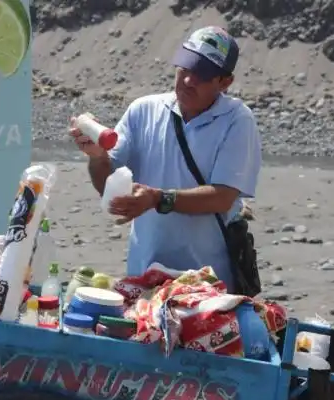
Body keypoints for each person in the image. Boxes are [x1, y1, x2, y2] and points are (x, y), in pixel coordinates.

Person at [69, 26, 262, 292]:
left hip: (207, 285)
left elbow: (223, 197)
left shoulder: (237, 121)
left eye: (202, 74)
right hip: (145, 277)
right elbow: (108, 188)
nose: (187, 81)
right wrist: (97, 156)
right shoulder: (143, 111)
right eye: (185, 68)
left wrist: (157, 199)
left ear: (224, 82)